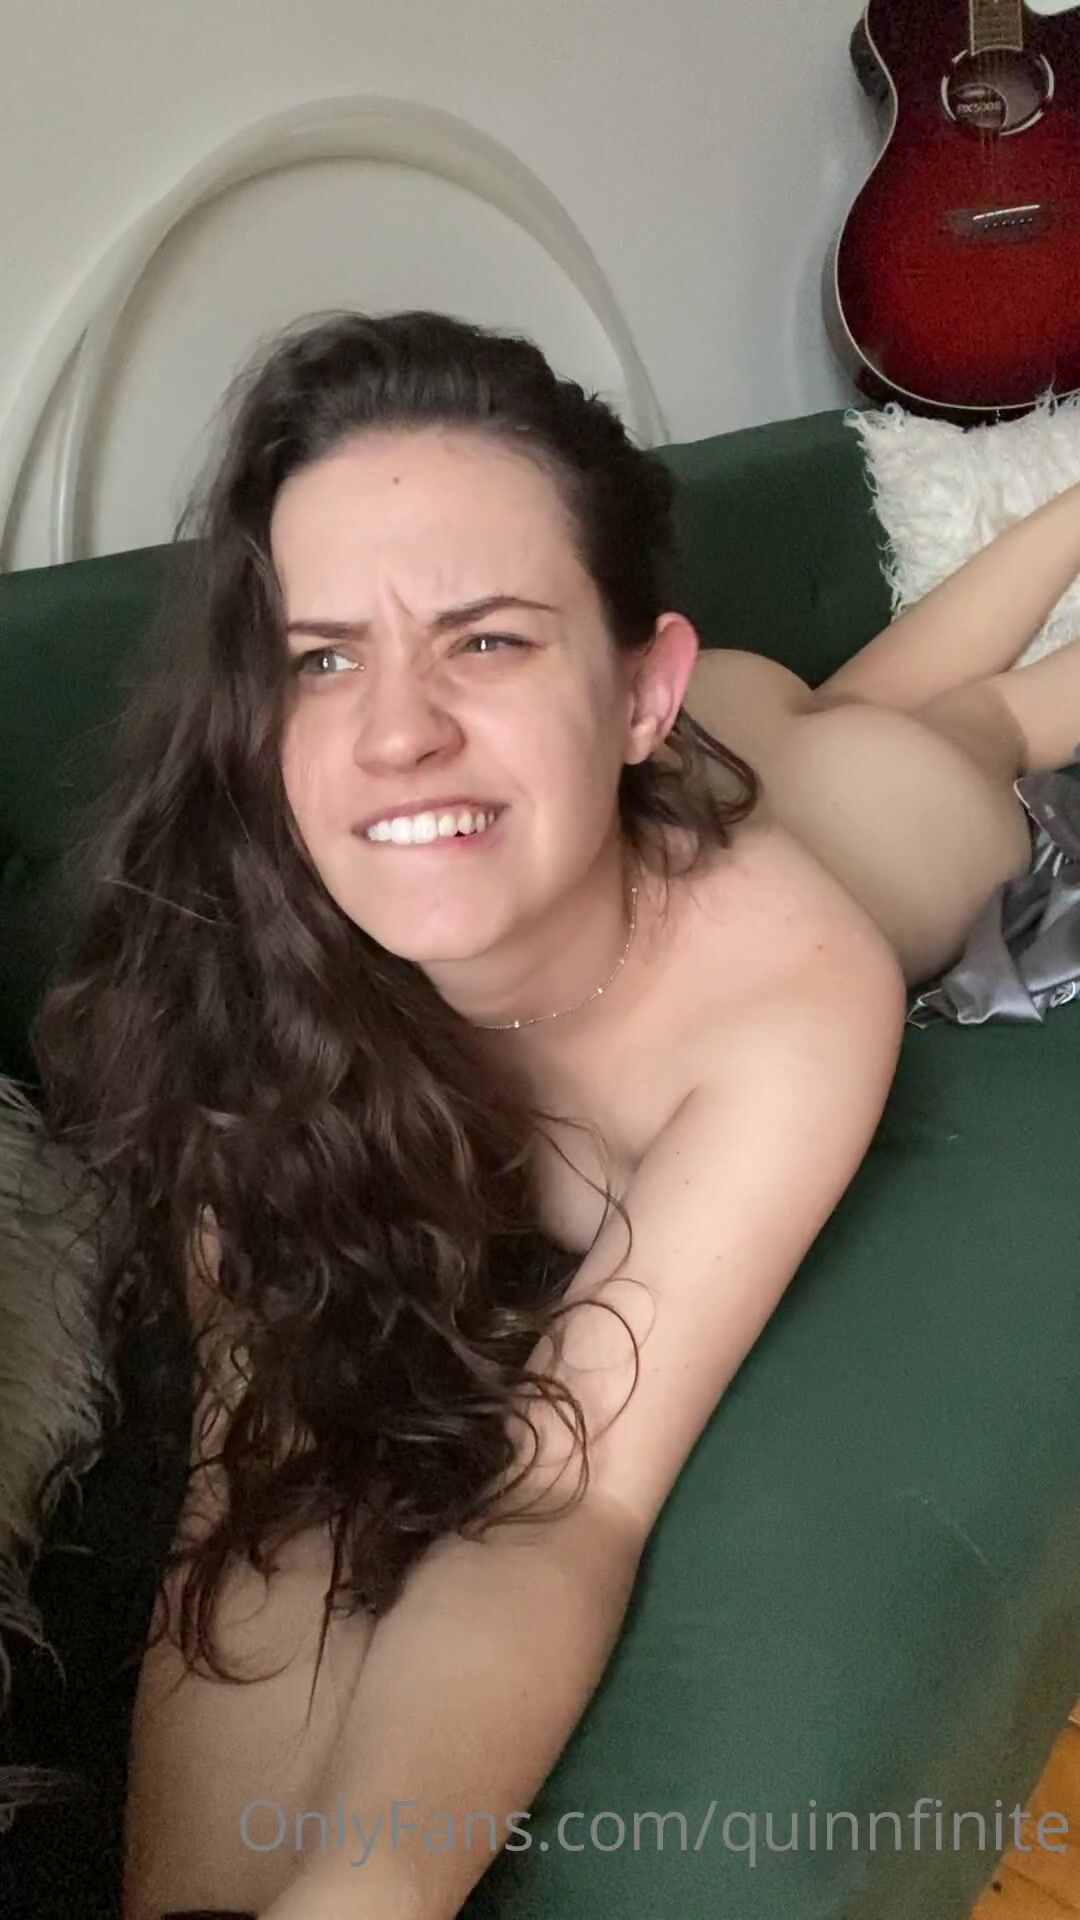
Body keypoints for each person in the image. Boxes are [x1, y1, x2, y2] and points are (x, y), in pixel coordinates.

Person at [28, 310, 1080, 1920]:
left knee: (964, 723)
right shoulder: (258, 957)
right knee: (848, 702)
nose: (395, 731)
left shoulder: (794, 987)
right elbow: (262, 1460)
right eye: (323, 655)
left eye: (486, 639)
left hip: (872, 814)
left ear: (635, 683)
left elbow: (566, 1500)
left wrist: (383, 1884)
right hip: (701, 741)